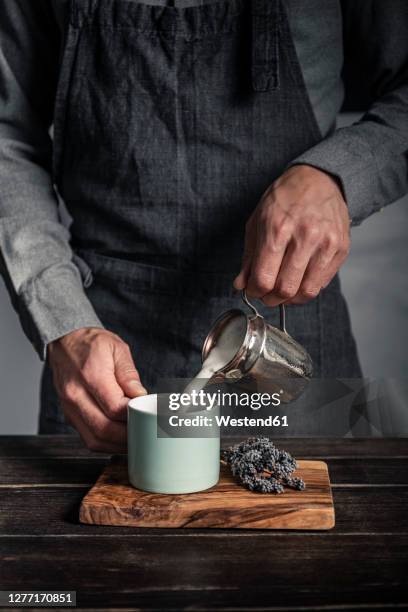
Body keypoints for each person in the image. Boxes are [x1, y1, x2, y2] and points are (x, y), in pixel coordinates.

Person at [0, 0, 407, 450]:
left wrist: (338, 175)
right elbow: (7, 134)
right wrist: (61, 320)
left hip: (290, 326)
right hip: (102, 342)